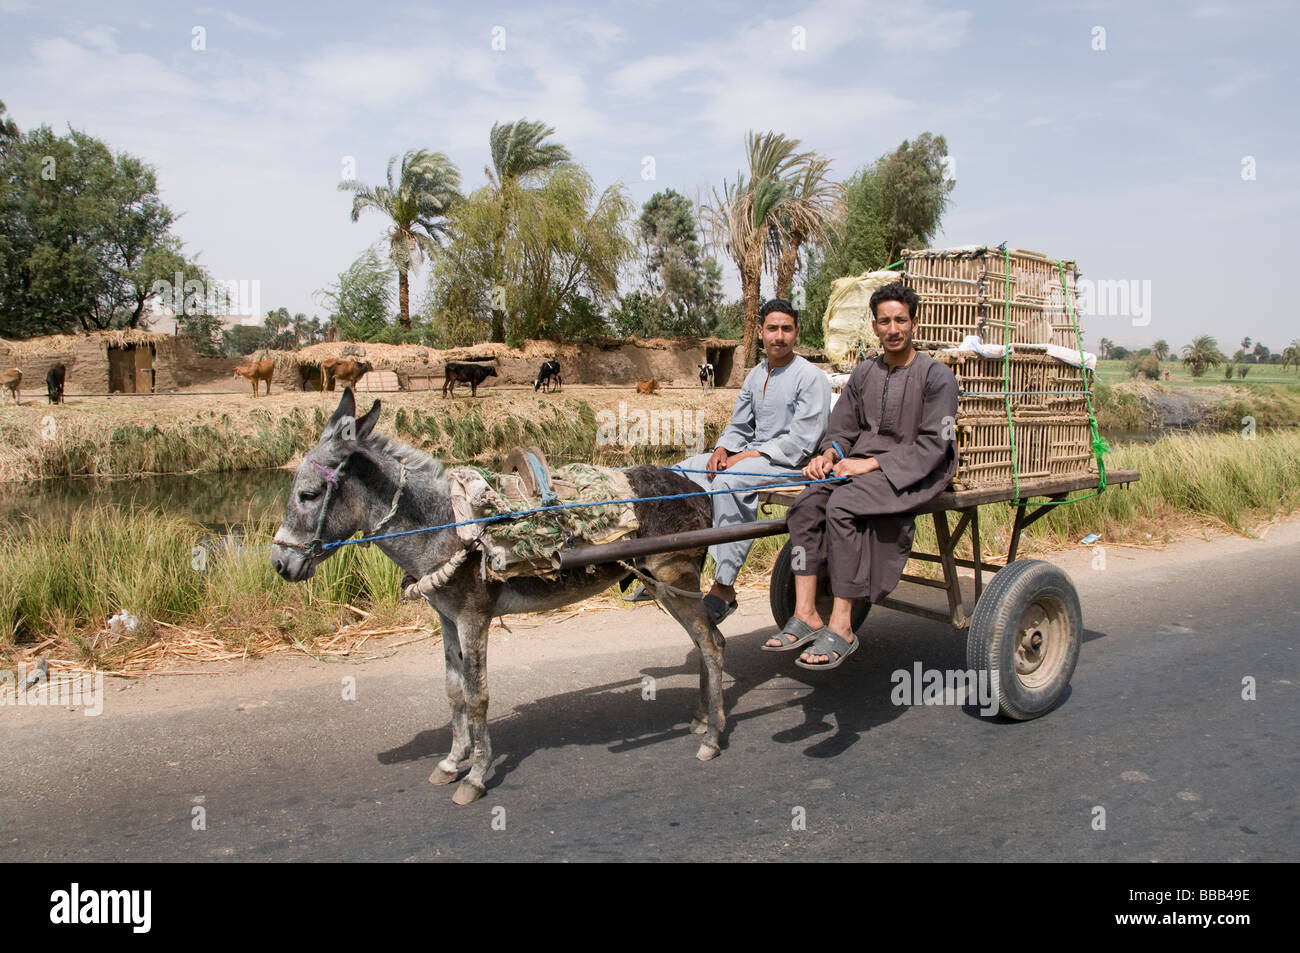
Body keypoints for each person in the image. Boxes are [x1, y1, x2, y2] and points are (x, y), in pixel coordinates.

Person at [769, 283, 958, 669]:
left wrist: (869, 464)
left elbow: (935, 444)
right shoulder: (864, 374)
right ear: (874, 327)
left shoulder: (937, 377)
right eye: (885, 321)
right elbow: (843, 429)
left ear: (914, 324)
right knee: (806, 506)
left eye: (900, 320)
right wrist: (828, 454)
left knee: (841, 505)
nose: (893, 329)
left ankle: (843, 625)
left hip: (913, 471)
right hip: (859, 469)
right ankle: (805, 612)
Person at [630, 299, 831, 625]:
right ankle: (667, 568)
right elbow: (739, 426)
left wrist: (744, 457)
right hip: (751, 456)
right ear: (759, 332)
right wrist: (722, 450)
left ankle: (724, 588)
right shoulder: (756, 375)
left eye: (786, 329)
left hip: (791, 462)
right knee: (677, 472)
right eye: (772, 329)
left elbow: (802, 440)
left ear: (797, 333)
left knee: (728, 481)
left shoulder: (811, 377)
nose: (779, 336)